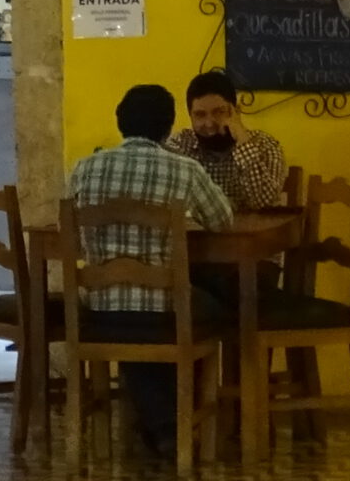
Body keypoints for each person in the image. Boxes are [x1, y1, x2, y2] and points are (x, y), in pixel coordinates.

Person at [66, 83, 234, 461]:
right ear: (168, 127)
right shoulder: (184, 169)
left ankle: (158, 424)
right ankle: (177, 424)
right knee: (213, 310)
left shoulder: (84, 168)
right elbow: (222, 220)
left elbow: (72, 236)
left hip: (100, 313)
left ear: (120, 122)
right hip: (163, 314)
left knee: (134, 318)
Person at [166, 68, 288, 212]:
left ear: (236, 111)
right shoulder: (178, 147)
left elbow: (264, 204)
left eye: (219, 112)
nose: (209, 124)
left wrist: (243, 142)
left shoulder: (265, 146)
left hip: (250, 228)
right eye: (200, 115)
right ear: (190, 116)